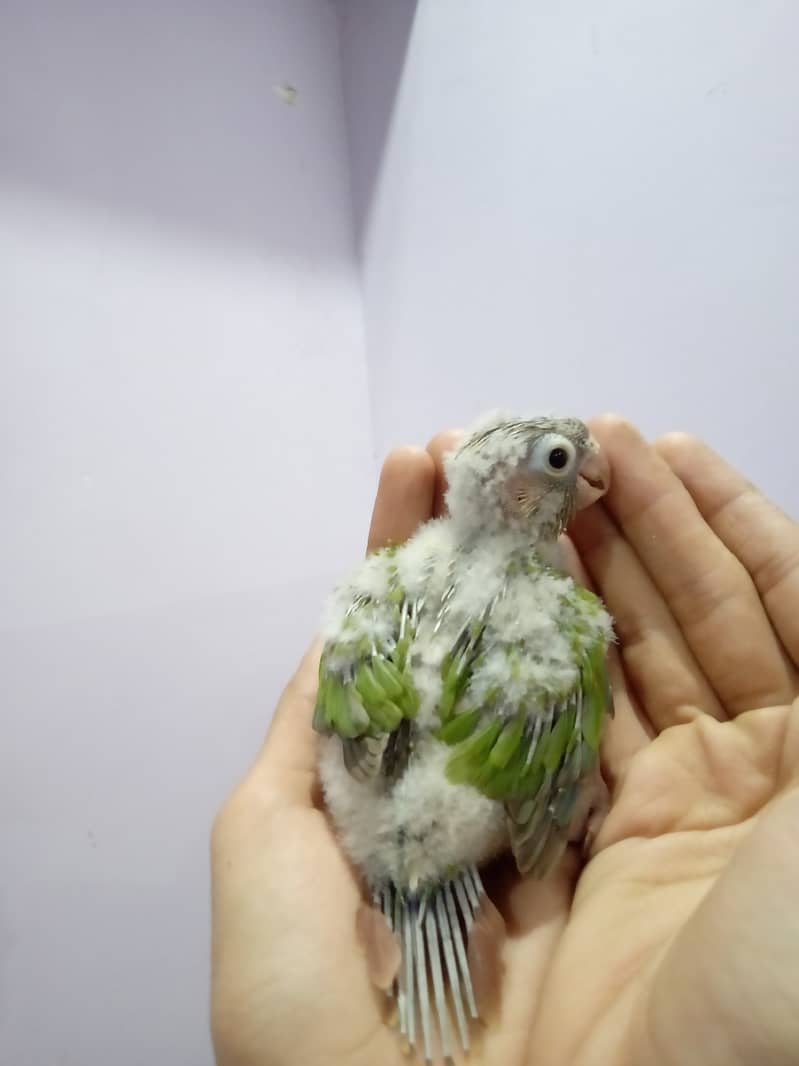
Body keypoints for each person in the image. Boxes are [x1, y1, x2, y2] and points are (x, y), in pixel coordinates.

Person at [210, 416, 799, 1066]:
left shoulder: (386, 584)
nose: (588, 474)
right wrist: (574, 789)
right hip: (457, 819)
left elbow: (355, 714)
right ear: (507, 488)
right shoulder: (554, 612)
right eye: (557, 461)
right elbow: (531, 756)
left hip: (382, 816)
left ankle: (425, 953)